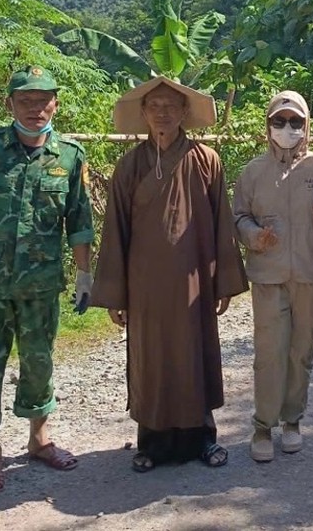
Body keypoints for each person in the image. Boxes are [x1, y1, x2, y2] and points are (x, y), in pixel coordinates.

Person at [91, 77, 248, 473]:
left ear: (184, 113)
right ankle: (152, 444)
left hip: (194, 283)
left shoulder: (206, 160)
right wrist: (117, 294)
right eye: (154, 106)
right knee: (152, 358)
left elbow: (220, 224)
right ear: (143, 114)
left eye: (170, 106)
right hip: (145, 288)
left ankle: (204, 439)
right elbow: (115, 233)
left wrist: (222, 281)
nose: (162, 112)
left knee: (194, 356)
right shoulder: (129, 166)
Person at [0, 66, 94, 496]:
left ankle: (38, 439)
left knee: (40, 362)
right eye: (25, 101)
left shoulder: (69, 155)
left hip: (41, 286)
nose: (35, 109)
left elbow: (79, 220)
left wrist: (84, 274)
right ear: (10, 104)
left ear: (56, 104)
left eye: (43, 100)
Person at [233, 91, 313, 463]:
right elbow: (239, 215)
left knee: (301, 351)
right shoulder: (253, 171)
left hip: (308, 273)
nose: (287, 129)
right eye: (279, 121)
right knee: (269, 353)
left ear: (307, 126)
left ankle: (292, 421)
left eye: (295, 122)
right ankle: (262, 426)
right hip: (268, 274)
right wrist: (253, 235)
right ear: (267, 125)